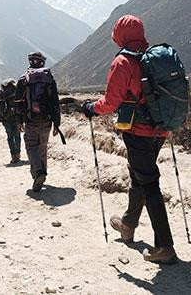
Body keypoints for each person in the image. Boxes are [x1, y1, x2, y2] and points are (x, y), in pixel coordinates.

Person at [81, 15, 177, 264]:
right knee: (140, 177)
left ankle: (164, 246)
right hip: (160, 129)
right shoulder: (153, 58)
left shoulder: (124, 62)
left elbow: (111, 102)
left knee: (149, 184)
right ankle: (128, 225)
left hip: (138, 132)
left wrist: (91, 108)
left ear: (120, 35)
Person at [14, 52, 61, 192]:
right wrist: (56, 123)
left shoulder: (24, 80)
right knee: (42, 148)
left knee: (31, 146)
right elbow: (55, 102)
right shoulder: (49, 79)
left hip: (30, 120)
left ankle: (38, 173)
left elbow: (18, 103)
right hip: (46, 120)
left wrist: (19, 120)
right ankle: (42, 173)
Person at [0, 79, 21, 164]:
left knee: (10, 137)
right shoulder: (16, 92)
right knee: (17, 137)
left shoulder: (2, 94)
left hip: (6, 119)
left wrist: (0, 118)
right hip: (16, 118)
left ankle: (13, 155)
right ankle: (17, 154)